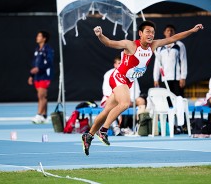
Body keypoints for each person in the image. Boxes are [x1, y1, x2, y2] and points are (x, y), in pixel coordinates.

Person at [82, 20, 203, 156]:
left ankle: (89, 135)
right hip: (118, 77)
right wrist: (100, 35)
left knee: (106, 111)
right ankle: (103, 131)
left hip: (128, 81)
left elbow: (174, 38)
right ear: (140, 33)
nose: (151, 34)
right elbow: (109, 43)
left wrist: (192, 30)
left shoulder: (154, 45)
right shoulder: (131, 45)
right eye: (147, 32)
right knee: (125, 103)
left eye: (152, 32)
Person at [101, 55, 145, 135]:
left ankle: (139, 126)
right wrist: (121, 99)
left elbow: (136, 91)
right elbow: (107, 91)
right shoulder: (108, 75)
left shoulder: (131, 74)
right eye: (118, 63)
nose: (120, 65)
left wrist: (130, 100)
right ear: (115, 64)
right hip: (112, 99)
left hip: (127, 100)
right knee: (113, 104)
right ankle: (116, 127)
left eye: (122, 63)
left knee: (141, 100)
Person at [153, 25, 187, 96]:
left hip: (177, 78)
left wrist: (183, 77)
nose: (170, 32)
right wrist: (156, 78)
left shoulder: (180, 45)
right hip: (165, 79)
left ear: (174, 33)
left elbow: (183, 62)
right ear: (164, 33)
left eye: (172, 31)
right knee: (167, 101)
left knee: (178, 99)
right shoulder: (160, 47)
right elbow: (157, 64)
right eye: (168, 30)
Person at [28, 31, 54, 124]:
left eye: (39, 36)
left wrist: (39, 68)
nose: (37, 37)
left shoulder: (48, 49)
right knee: (41, 96)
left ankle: (39, 115)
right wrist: (31, 75)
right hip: (37, 76)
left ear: (44, 38)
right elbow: (34, 64)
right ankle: (44, 116)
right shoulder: (37, 49)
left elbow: (49, 62)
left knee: (42, 96)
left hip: (45, 75)